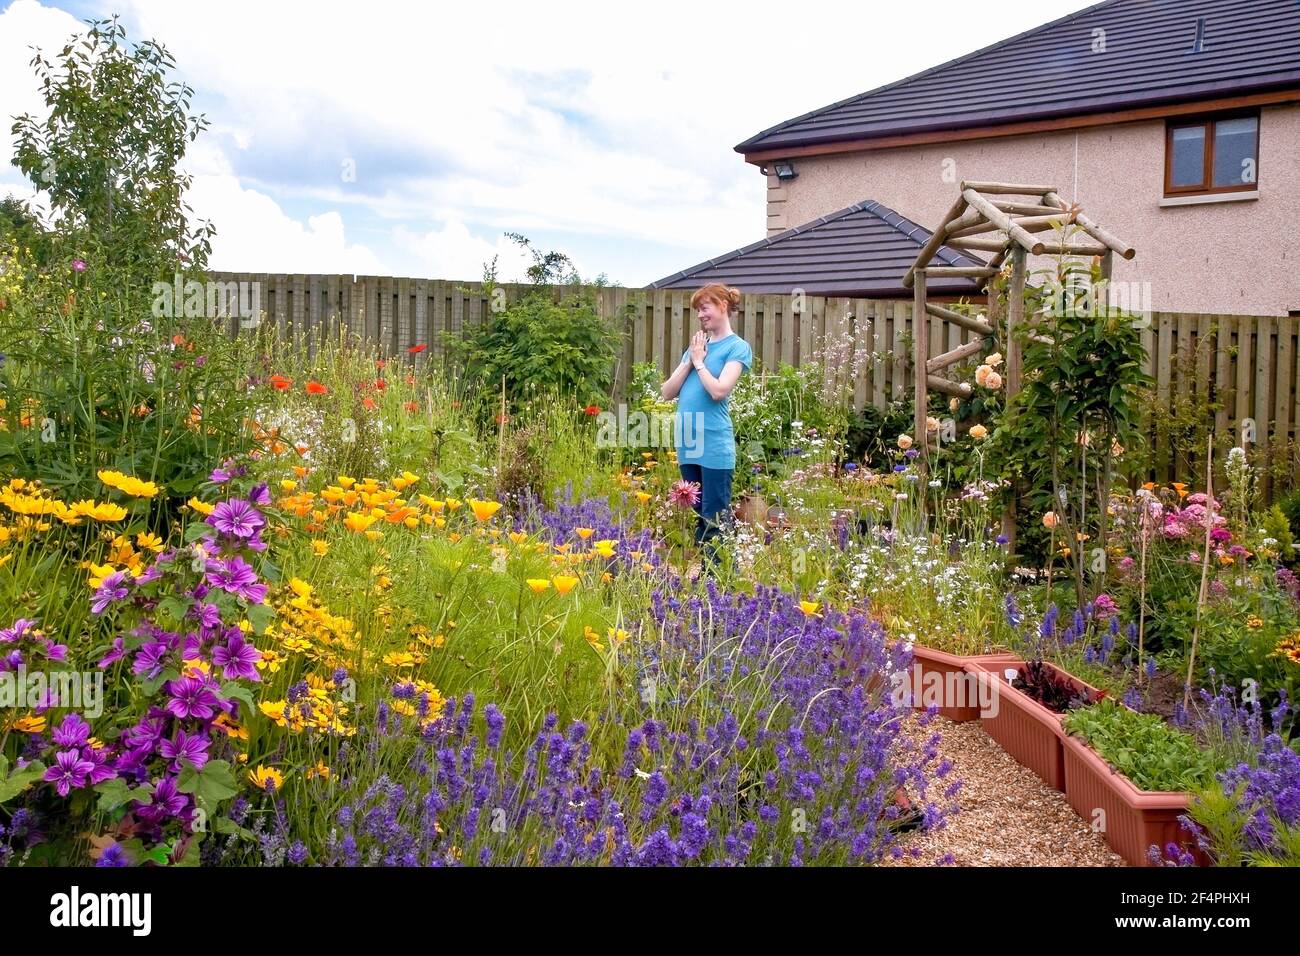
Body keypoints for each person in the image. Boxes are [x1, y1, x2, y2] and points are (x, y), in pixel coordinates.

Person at [660, 283, 753, 569]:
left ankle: (722, 579)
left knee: (715, 516)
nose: (700, 314)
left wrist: (699, 363)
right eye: (698, 310)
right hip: (688, 442)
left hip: (714, 443)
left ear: (723, 306)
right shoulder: (696, 349)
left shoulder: (737, 347)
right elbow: (666, 392)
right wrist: (690, 359)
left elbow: (719, 390)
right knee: (700, 514)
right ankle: (709, 578)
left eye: (705, 307)